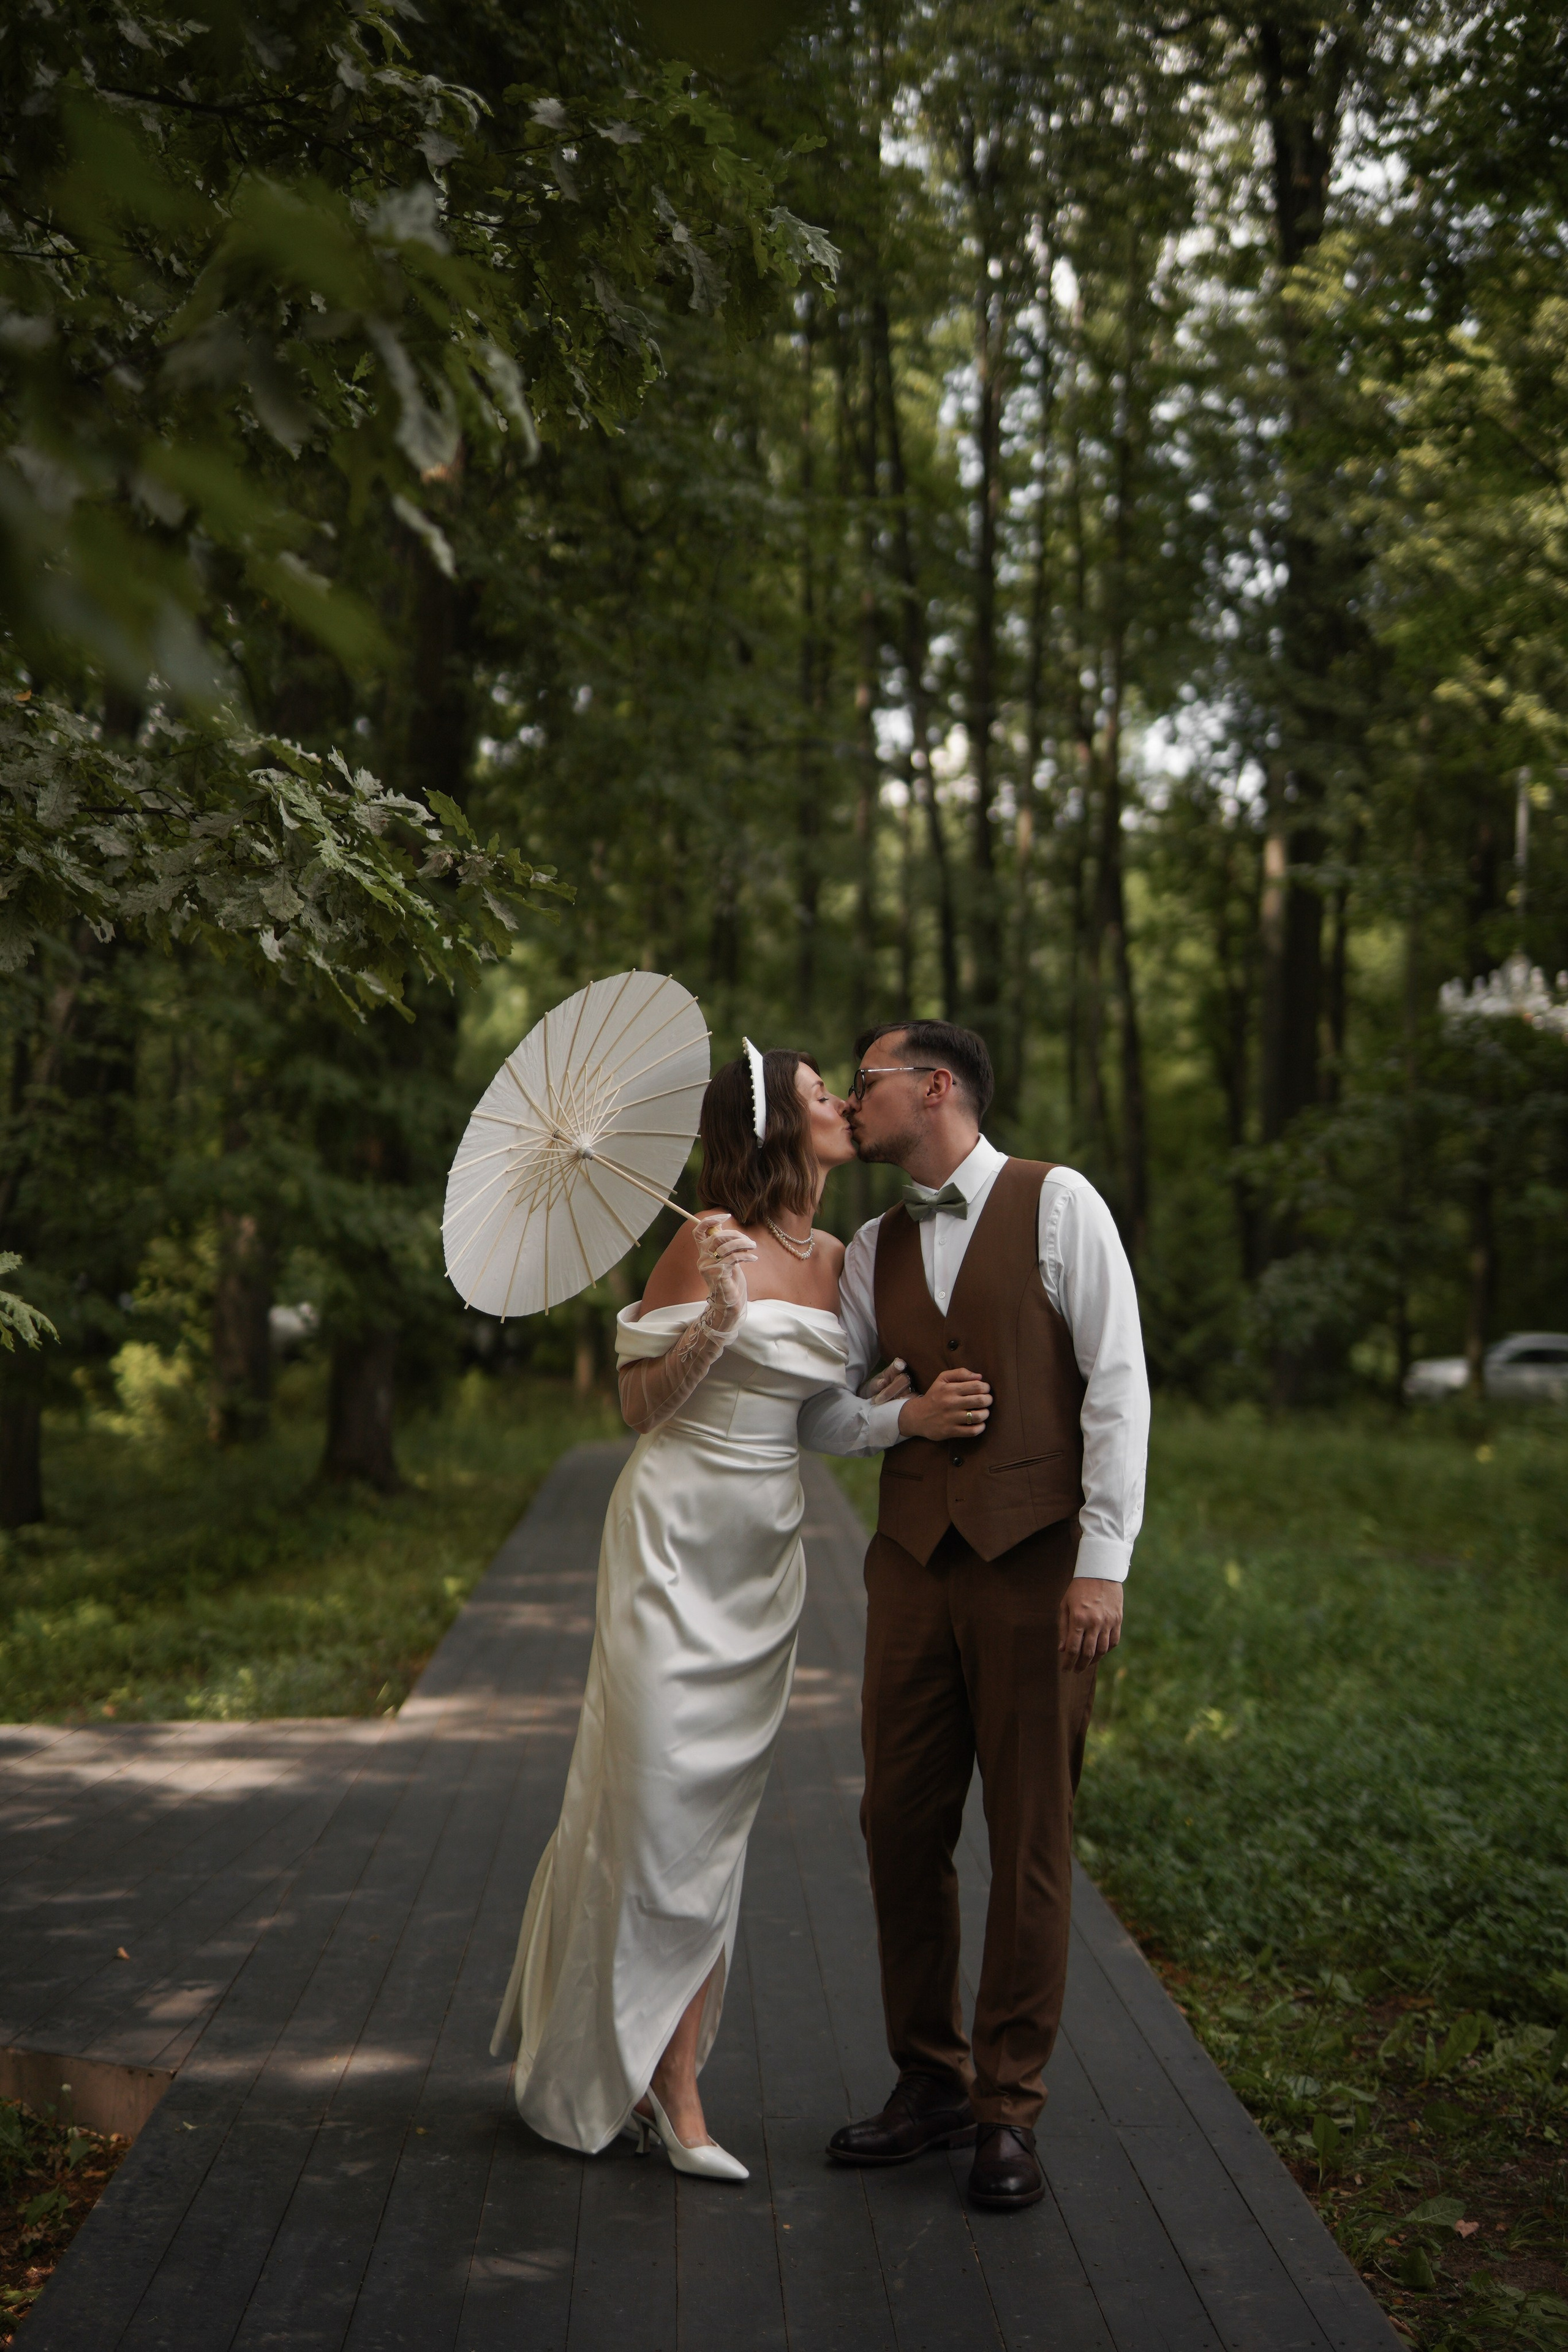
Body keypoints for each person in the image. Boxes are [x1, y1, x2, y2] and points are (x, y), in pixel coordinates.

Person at [490, 1043, 988, 2178]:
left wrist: (900, 1421)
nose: (846, 1107)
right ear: (776, 1126)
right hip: (673, 1538)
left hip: (766, 1553)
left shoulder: (844, 1259)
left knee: (711, 1825)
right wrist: (715, 1314)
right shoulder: (703, 1238)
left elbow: (817, 1423)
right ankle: (676, 2093)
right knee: (657, 1807)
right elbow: (638, 1407)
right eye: (824, 1095)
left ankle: (636, 2063)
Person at [797, 1019, 1149, 2212]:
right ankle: (929, 2081)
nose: (850, 1104)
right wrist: (901, 1422)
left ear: (933, 1087)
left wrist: (1101, 1562)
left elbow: (1117, 1385)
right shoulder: (869, 1249)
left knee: (1027, 1839)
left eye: (867, 1084)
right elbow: (820, 1416)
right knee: (897, 1823)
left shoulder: (1061, 1206)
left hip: (1037, 1567)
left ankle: (1007, 2106)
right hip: (907, 1566)